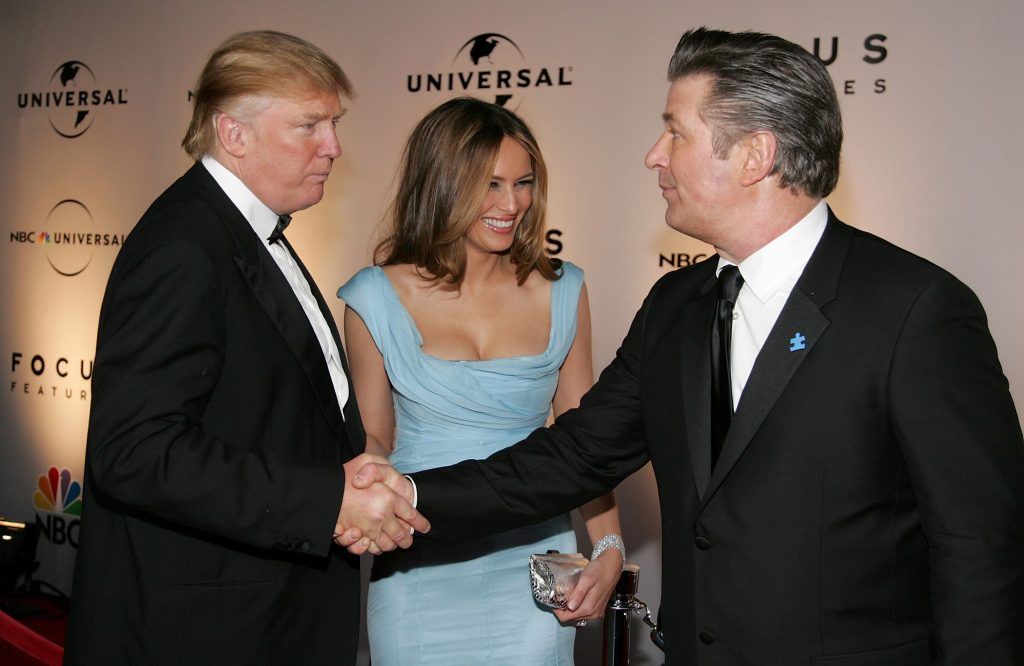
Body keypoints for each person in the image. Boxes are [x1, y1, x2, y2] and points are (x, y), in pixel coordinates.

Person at [349, 28, 1024, 664]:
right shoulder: (678, 304)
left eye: (676, 132)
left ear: (755, 155)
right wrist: (407, 492)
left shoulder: (913, 309)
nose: (654, 155)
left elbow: (981, 549)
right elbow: (574, 455)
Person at [65, 30, 426, 665]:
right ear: (234, 134)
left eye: (334, 124)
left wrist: (353, 470)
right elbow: (135, 452)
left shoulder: (248, 234)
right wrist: (325, 500)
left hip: (267, 614)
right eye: (310, 126)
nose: (334, 148)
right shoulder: (185, 248)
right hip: (207, 631)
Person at [337, 97, 624, 665]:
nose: (511, 203)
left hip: (534, 558)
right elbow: (374, 435)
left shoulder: (563, 289)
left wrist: (609, 546)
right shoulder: (373, 295)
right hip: (420, 553)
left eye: (523, 183)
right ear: (443, 183)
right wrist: (354, 487)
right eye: (489, 184)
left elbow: (583, 438)